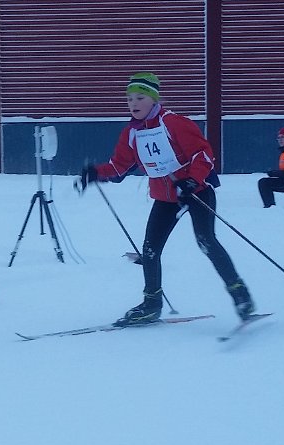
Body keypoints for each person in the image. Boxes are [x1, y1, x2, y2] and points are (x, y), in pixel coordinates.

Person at [77, 72, 255, 325]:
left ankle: (241, 296)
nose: (134, 104)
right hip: (166, 198)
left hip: (195, 192)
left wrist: (192, 180)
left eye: (140, 98)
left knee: (206, 241)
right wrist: (95, 173)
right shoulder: (132, 133)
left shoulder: (174, 123)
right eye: (129, 99)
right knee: (149, 250)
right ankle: (151, 304)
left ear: (153, 99)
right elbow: (119, 167)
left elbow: (203, 154)